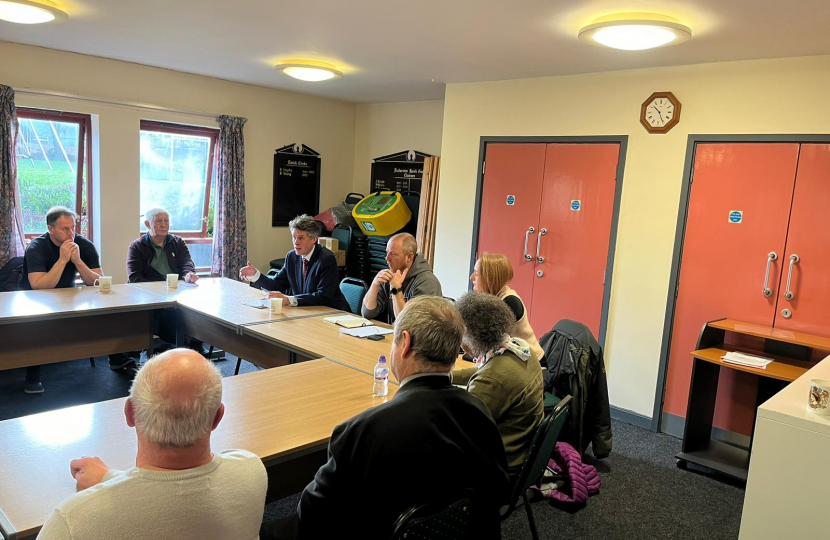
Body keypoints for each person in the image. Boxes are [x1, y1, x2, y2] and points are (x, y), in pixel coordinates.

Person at [260, 296, 510, 540]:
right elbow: (498, 492)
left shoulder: (362, 430)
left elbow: (312, 516)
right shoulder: (478, 411)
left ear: (405, 343)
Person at [37, 349, 268, 540]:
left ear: (130, 413)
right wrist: (111, 478)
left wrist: (113, 482)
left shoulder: (73, 520)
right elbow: (171, 490)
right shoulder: (251, 470)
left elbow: (158, 492)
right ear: (217, 418)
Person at [18, 206, 113, 393]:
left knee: (107, 314)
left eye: (73, 228)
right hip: (33, 298)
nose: (71, 233)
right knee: (36, 325)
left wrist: (78, 261)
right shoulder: (36, 247)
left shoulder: (83, 245)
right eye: (65, 229)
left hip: (67, 295)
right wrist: (62, 260)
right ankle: (33, 373)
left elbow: (97, 282)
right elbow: (38, 285)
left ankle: (117, 360)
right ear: (50, 228)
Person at [451, 291, 544, 469]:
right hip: (522, 447)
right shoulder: (519, 349)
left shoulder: (492, 380)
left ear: (472, 336)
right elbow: (483, 370)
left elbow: (462, 429)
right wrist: (448, 377)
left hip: (501, 462)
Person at [125, 206, 202, 355]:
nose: (163, 224)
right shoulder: (137, 246)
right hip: (151, 297)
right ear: (147, 224)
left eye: (166, 221)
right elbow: (135, 278)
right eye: (159, 221)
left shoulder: (177, 242)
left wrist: (189, 274)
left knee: (199, 309)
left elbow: (187, 263)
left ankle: (195, 342)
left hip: (178, 292)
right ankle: (176, 343)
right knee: (169, 318)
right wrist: (161, 290)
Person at [240, 214, 350, 311]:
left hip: (333, 313)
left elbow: (323, 296)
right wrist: (255, 275)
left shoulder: (326, 259)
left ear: (314, 239)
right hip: (308, 312)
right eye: (294, 237)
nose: (296, 242)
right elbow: (278, 285)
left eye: (301, 238)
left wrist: (289, 300)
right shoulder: (292, 257)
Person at [471, 252, 544, 361]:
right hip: (511, 360)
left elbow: (489, 342)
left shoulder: (509, 302)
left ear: (490, 278)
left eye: (476, 274)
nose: (471, 277)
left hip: (531, 365)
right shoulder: (491, 299)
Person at [361, 232, 442, 324]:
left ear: (409, 257)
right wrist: (375, 284)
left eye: (393, 254)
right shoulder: (390, 275)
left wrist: (396, 290)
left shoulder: (427, 283)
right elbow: (367, 313)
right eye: (387, 252)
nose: (387, 258)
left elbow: (408, 324)